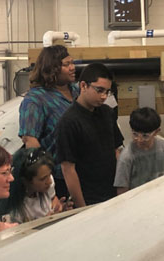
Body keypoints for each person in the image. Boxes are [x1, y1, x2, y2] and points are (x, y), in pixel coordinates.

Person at [56, 63, 124, 208]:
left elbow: (116, 152)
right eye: (99, 90)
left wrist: (122, 190)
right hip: (89, 199)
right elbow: (68, 169)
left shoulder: (107, 113)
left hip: (113, 195)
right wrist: (82, 208)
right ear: (83, 86)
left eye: (107, 92)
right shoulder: (68, 122)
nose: (104, 96)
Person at [19, 45, 79, 198]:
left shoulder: (77, 92)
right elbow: (31, 141)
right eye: (67, 65)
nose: (73, 68)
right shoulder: (35, 100)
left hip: (83, 171)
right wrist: (47, 182)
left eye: (72, 63)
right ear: (51, 68)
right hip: (57, 178)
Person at [0, 148, 73, 224]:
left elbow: (53, 199)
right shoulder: (12, 212)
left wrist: (60, 209)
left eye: (49, 175)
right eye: (43, 179)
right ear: (26, 181)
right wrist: (46, 221)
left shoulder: (47, 185)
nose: (49, 182)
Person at [114, 107, 164, 195]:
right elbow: (122, 189)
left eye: (145, 136)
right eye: (135, 134)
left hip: (161, 194)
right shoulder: (127, 156)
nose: (139, 140)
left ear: (156, 132)